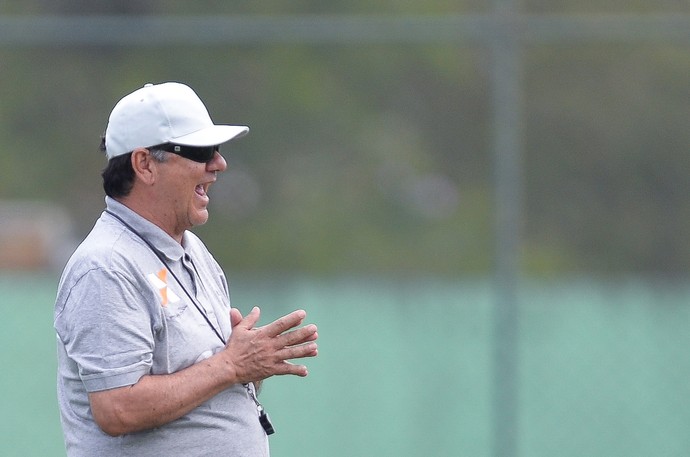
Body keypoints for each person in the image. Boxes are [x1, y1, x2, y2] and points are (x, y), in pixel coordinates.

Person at [54, 82, 318, 457]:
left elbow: (214, 376)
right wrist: (231, 365)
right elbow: (116, 408)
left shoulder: (192, 249)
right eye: (200, 150)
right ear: (144, 164)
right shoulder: (105, 266)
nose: (218, 163)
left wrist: (248, 368)